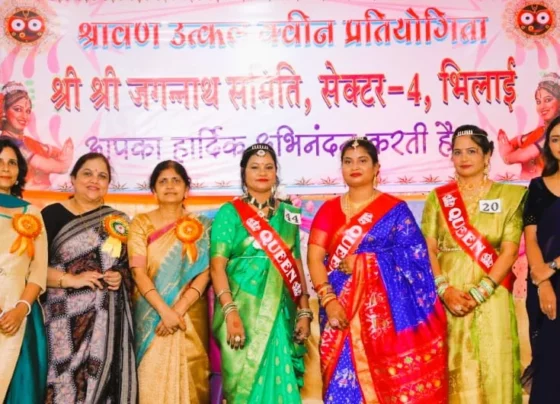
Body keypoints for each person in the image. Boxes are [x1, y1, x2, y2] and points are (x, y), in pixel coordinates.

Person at [307, 137, 448, 404]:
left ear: (376, 167)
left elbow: (416, 258)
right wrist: (329, 300)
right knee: (340, 384)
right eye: (348, 162)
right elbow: (315, 258)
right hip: (339, 309)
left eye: (362, 161)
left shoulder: (395, 211)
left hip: (385, 319)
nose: (354, 167)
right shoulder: (328, 210)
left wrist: (366, 262)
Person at [422, 124, 526, 403]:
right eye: (457, 152)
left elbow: (509, 249)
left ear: (487, 155)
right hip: (449, 295)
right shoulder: (438, 197)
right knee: (456, 368)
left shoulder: (509, 196)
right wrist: (444, 289)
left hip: (492, 293)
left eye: (472, 151)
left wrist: (482, 290)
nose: (464, 158)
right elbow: (428, 248)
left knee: (495, 367)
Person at [210, 143, 312, 404]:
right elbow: (217, 266)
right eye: (254, 167)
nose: (262, 172)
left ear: (276, 173)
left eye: (269, 167)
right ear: (244, 173)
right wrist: (230, 311)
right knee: (244, 384)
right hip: (242, 310)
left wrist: (303, 310)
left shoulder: (289, 214)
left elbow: (296, 262)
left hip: (282, 310)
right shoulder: (229, 213)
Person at [41, 152, 137, 403]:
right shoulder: (50, 216)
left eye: (102, 175)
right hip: (61, 318)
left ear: (108, 184)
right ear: (72, 179)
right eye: (87, 173)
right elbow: (31, 269)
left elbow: (128, 268)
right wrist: (71, 280)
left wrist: (119, 276)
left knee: (100, 383)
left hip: (105, 321)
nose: (94, 180)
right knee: (61, 379)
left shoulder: (118, 221)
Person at [129, 160, 211, 403]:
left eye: (176, 180)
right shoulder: (140, 224)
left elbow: (205, 272)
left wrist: (178, 310)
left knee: (190, 383)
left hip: (190, 317)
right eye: (162, 181)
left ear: (187, 189)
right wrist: (165, 311)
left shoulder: (202, 226)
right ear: (153, 190)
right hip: (151, 316)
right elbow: (137, 272)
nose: (170, 186)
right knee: (150, 384)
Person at [0, 138, 47, 403]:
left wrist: (19, 310)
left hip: (20, 318)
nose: (5, 168)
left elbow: (38, 272)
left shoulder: (31, 214)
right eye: (0, 162)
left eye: (12, 163)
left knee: (21, 391)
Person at [522, 115, 560, 403]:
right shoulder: (537, 186)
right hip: (543, 285)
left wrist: (552, 267)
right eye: (556, 139)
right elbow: (531, 236)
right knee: (548, 363)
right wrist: (541, 279)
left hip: (551, 270)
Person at [0, 81, 73, 189]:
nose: (24, 116)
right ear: (4, 111)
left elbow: (50, 150)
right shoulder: (10, 145)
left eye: (28, 111)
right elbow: (51, 167)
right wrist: (65, 162)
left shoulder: (26, 141)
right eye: (18, 109)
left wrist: (60, 154)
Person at [498, 72, 560, 179]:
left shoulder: (555, 133)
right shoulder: (540, 132)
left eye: (548, 100)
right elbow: (518, 140)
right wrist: (507, 145)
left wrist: (506, 156)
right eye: (538, 101)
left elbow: (523, 156)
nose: (542, 106)